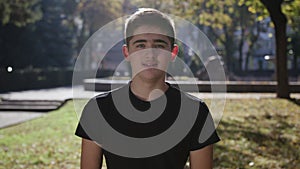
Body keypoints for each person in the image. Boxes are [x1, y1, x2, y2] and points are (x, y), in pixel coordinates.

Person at [75, 8, 220, 169]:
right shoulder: (98, 109)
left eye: (159, 45)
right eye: (141, 45)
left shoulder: (196, 111)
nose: (150, 54)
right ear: (127, 52)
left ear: (173, 53)